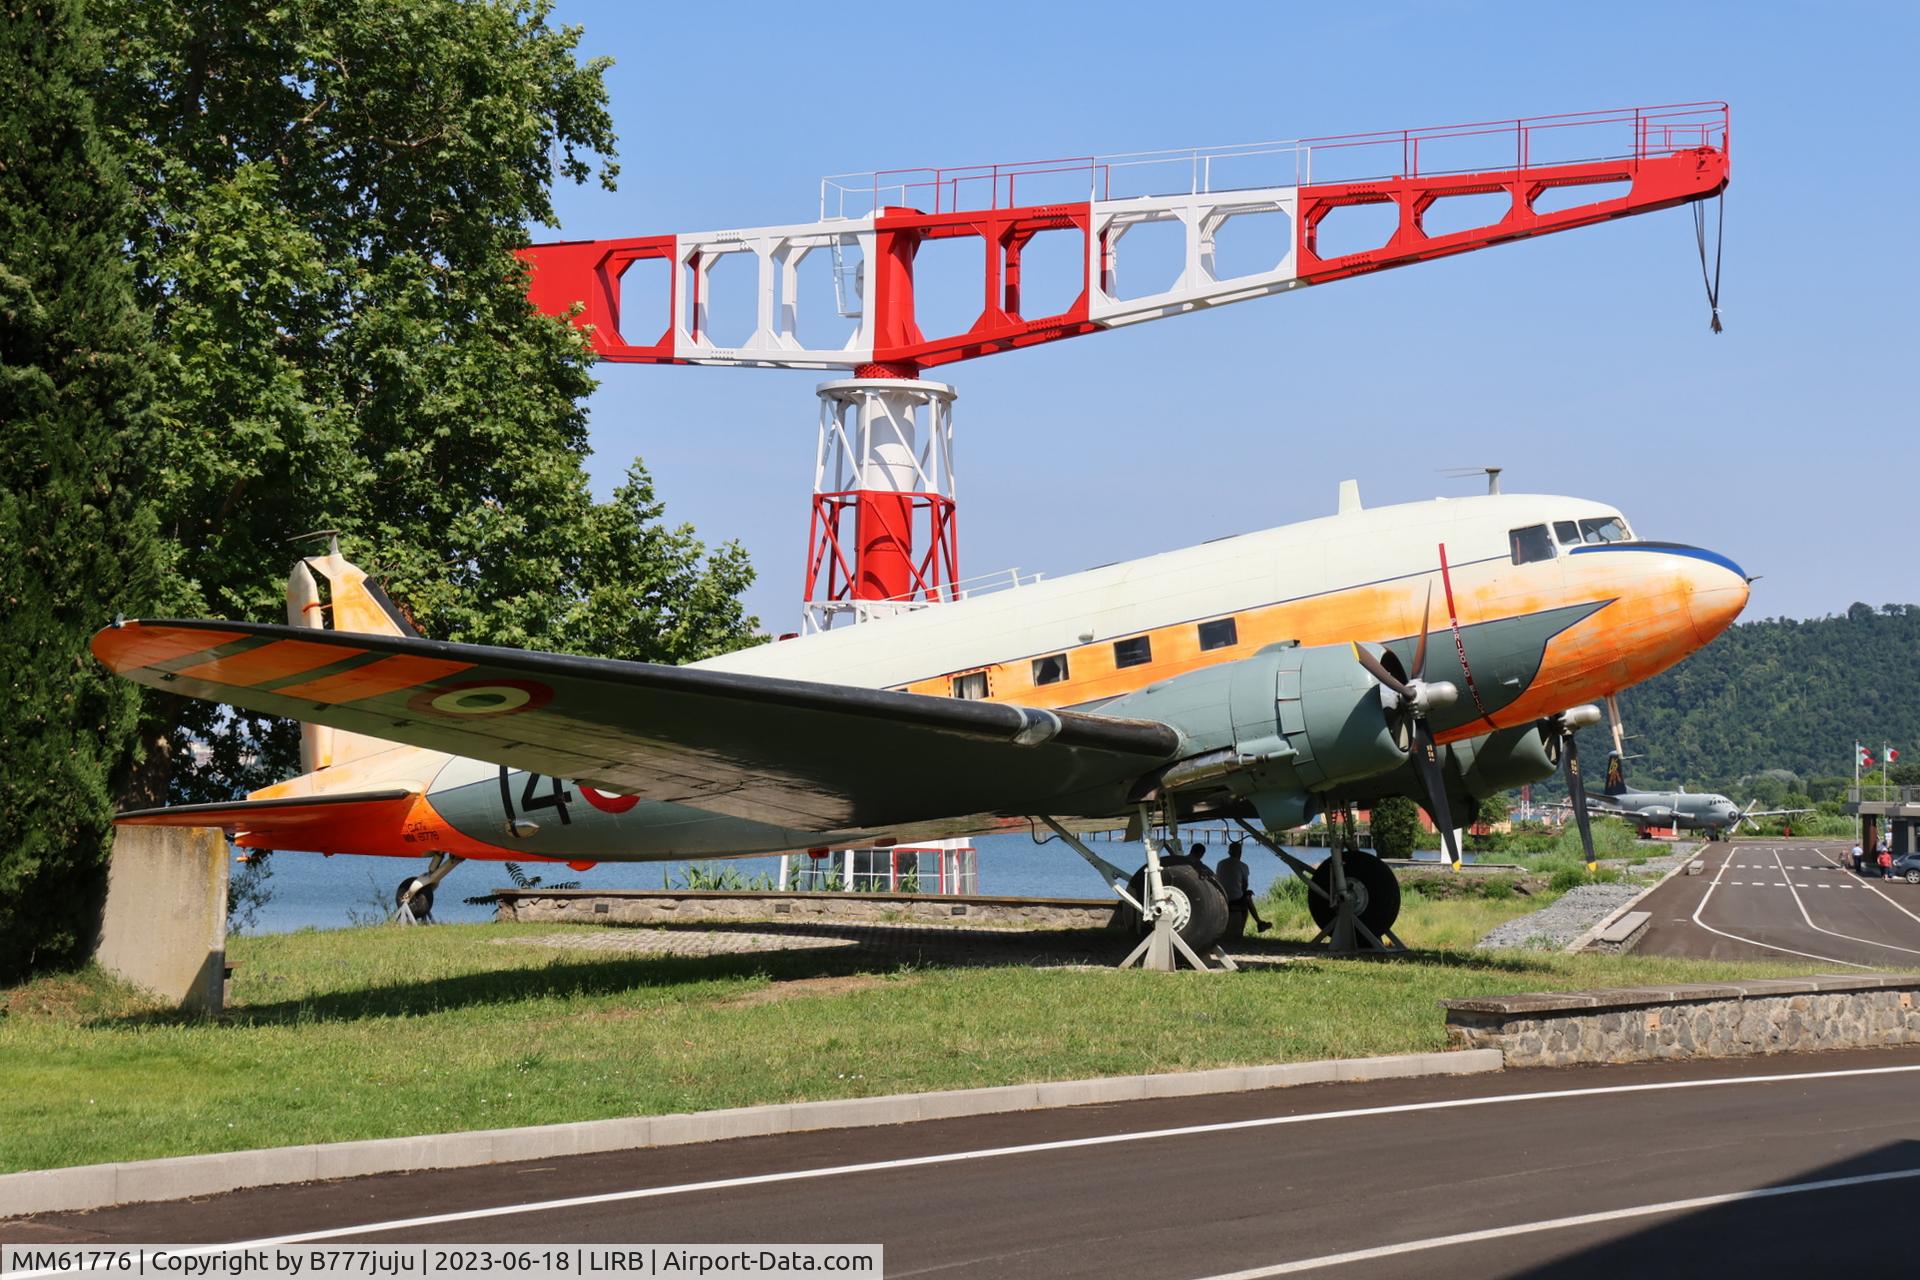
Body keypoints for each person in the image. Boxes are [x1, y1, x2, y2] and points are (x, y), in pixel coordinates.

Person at [1215, 841, 1271, 936]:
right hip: (1234, 899)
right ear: (1240, 852)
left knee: (1245, 895)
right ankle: (1254, 924)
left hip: (1221, 896)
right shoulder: (1243, 866)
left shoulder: (1220, 863)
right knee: (1247, 898)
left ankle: (1258, 923)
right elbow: (1245, 885)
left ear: (1229, 852)